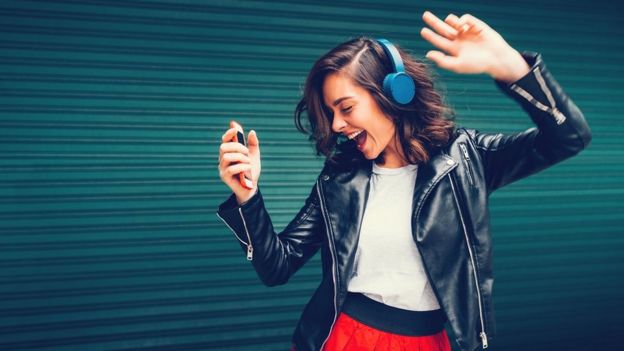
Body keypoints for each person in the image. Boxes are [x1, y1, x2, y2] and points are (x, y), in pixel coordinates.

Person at [216, 11, 591, 351]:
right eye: (330, 114)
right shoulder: (339, 177)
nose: (336, 126)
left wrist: (511, 67)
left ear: (394, 93)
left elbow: (569, 136)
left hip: (427, 342)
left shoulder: (466, 158)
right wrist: (247, 196)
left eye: (346, 108)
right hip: (342, 337)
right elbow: (277, 266)